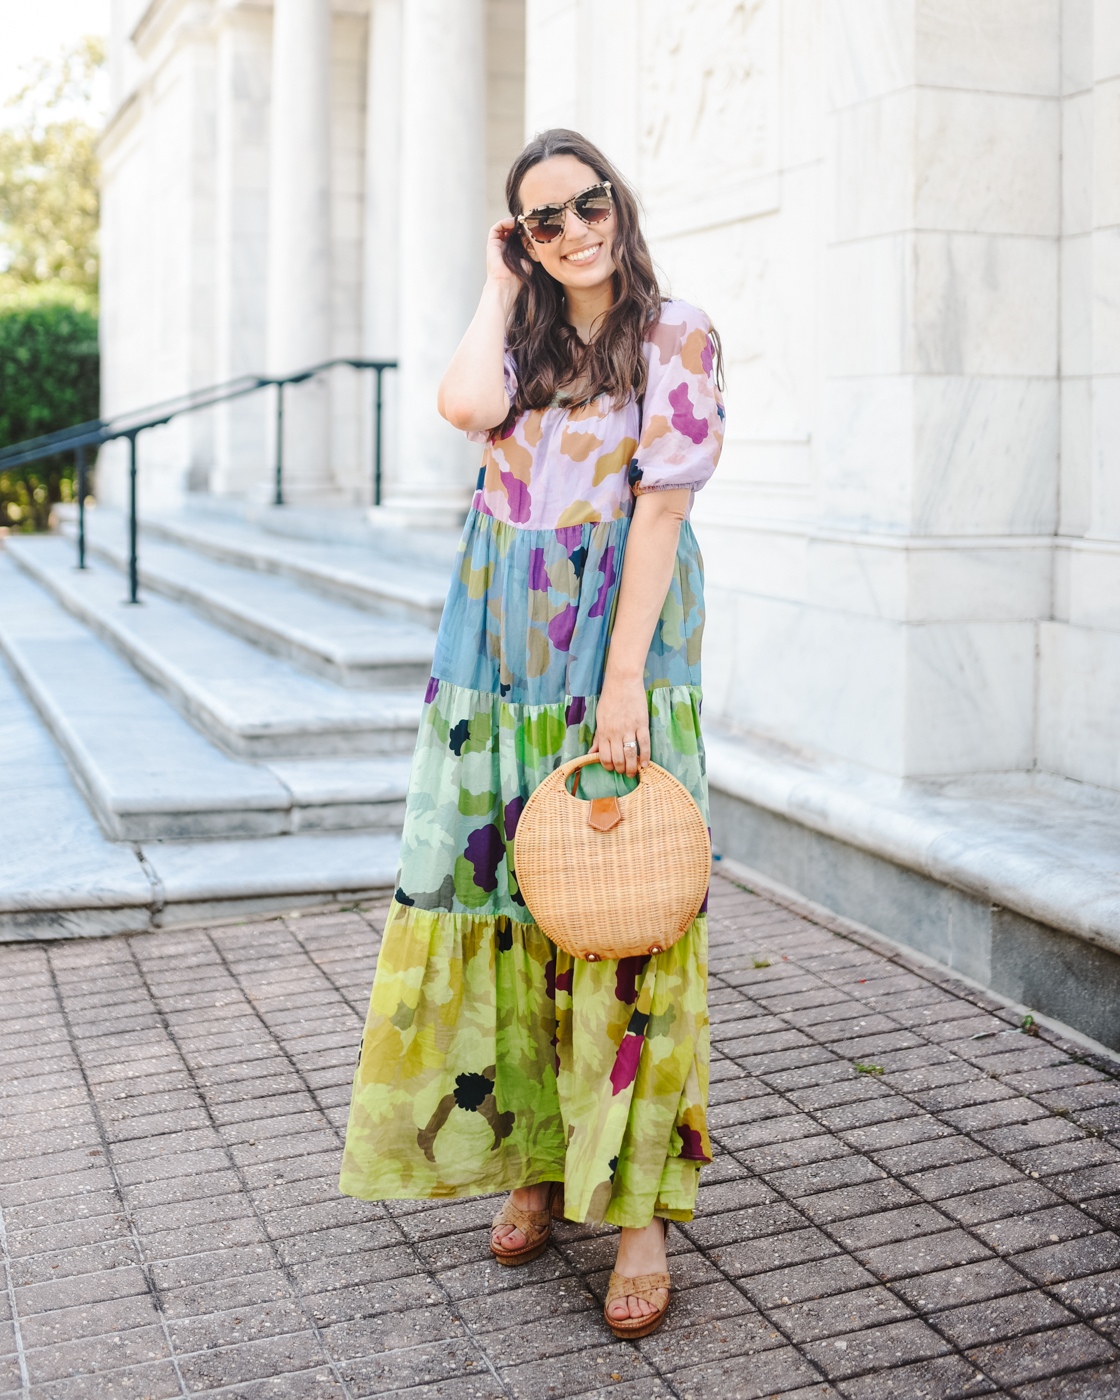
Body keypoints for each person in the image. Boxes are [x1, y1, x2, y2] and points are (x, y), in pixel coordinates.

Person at [340, 127, 723, 1339]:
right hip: (496, 645)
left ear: (618, 198)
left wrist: (621, 684)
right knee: (508, 896)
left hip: (611, 637)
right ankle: (538, 1159)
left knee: (624, 907)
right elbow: (461, 405)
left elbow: (658, 513)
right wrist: (498, 280)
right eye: (542, 221)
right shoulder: (520, 332)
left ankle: (642, 1211)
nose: (573, 230)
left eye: (585, 203)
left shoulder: (675, 332)